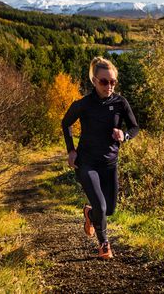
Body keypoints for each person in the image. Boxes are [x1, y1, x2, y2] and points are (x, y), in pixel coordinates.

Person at [61, 56, 139, 259]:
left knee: (110, 209)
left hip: (110, 164)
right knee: (101, 206)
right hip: (86, 163)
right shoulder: (84, 104)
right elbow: (66, 122)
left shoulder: (121, 103)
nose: (109, 86)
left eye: (113, 81)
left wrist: (125, 135)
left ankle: (89, 214)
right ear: (94, 81)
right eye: (105, 82)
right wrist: (71, 151)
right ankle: (104, 245)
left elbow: (134, 127)